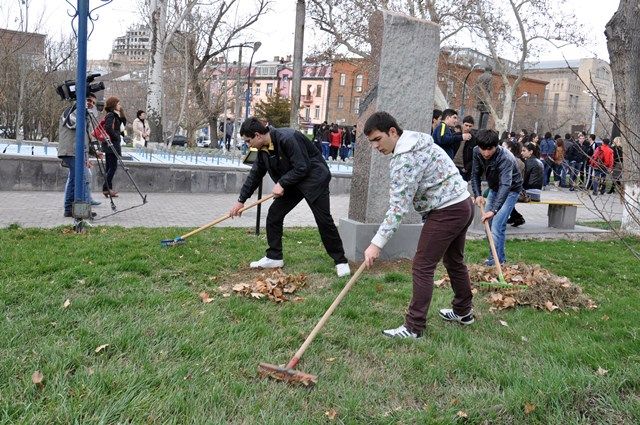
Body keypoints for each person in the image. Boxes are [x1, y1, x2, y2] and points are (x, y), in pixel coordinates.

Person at [362, 112, 474, 339]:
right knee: (454, 260)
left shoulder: (404, 159)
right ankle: (463, 312)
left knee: (422, 266)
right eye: (371, 142)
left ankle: (414, 327)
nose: (375, 146)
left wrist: (376, 244)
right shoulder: (419, 140)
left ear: (393, 131)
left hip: (447, 210)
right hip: (463, 203)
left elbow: (397, 209)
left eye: (377, 139)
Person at [229, 117, 351, 277]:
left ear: (257, 135)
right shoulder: (259, 149)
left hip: (314, 179)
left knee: (323, 220)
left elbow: (303, 166)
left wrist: (282, 183)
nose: (247, 144)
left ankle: (340, 261)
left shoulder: (288, 138)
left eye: (247, 140)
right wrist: (240, 201)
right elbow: (255, 175)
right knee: (274, 215)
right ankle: (274, 257)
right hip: (292, 182)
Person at [471, 129, 522, 266]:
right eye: (483, 149)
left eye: (490, 149)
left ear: (496, 146)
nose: (486, 153)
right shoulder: (476, 151)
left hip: (511, 190)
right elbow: (475, 174)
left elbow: (506, 185)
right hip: (494, 188)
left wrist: (493, 210)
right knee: (489, 225)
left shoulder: (506, 158)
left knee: (497, 225)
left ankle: (497, 261)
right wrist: (478, 194)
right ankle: (496, 258)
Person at [57, 93, 99, 218]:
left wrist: (92, 153)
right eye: (88, 100)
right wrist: (84, 113)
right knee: (84, 177)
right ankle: (83, 211)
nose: (90, 104)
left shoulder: (82, 114)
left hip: (76, 151)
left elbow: (84, 137)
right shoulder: (72, 111)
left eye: (93, 102)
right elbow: (73, 124)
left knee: (74, 180)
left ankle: (69, 209)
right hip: (71, 151)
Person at [102, 96, 126, 198]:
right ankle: (106, 188)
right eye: (118, 103)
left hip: (111, 144)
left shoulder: (114, 115)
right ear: (113, 104)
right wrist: (116, 137)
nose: (120, 105)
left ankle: (108, 189)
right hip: (112, 144)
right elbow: (108, 127)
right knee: (113, 167)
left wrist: (122, 112)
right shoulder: (111, 115)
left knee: (109, 167)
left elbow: (122, 126)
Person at [453, 115, 477, 181]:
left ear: (472, 127)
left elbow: (475, 156)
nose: (467, 128)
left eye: (470, 126)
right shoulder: (456, 136)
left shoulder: (474, 140)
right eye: (466, 125)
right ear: (462, 124)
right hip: (452, 165)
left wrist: (467, 168)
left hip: (463, 168)